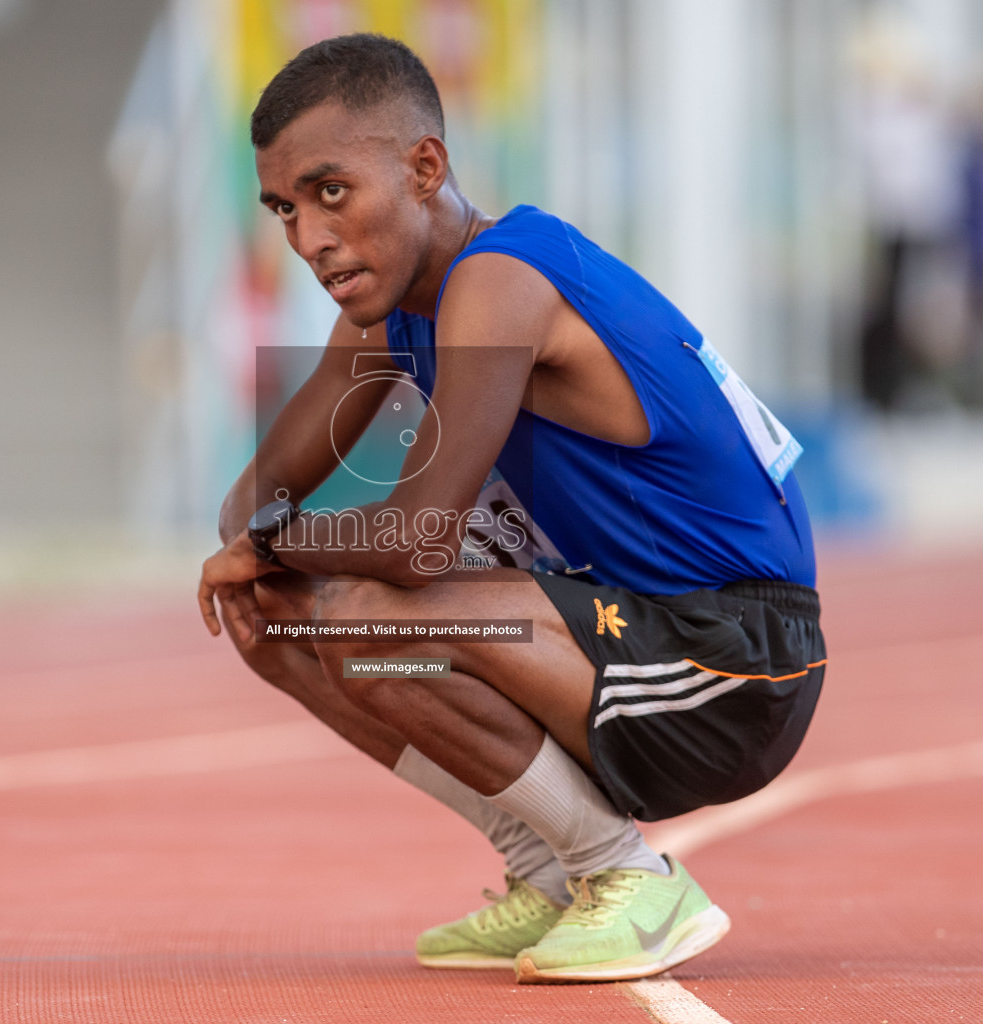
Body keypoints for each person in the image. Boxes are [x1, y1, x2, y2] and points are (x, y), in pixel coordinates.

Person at [197, 34, 825, 984]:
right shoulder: (390, 313)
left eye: (332, 192)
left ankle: (629, 877)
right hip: (617, 632)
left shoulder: (502, 278)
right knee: (276, 617)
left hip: (734, 662)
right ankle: (551, 870)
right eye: (285, 208)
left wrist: (273, 543)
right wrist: (264, 549)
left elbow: (412, 543)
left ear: (424, 167)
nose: (311, 237)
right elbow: (254, 498)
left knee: (362, 609)